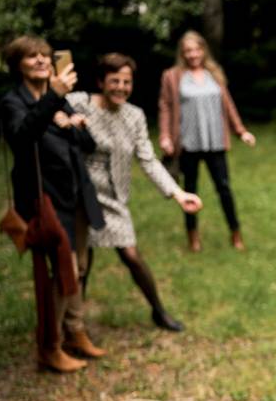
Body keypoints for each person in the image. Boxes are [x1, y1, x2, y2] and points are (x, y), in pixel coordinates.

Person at [66, 53, 203, 332]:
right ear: (100, 82)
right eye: (114, 81)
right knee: (82, 262)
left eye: (127, 82)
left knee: (130, 254)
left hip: (114, 196)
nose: (121, 87)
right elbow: (50, 109)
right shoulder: (78, 102)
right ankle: (73, 325)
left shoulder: (134, 115)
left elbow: (148, 160)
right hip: (79, 194)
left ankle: (158, 311)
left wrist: (177, 193)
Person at [0, 36, 106, 372]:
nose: (42, 61)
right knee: (62, 272)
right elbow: (21, 138)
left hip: (75, 192)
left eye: (46, 55)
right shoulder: (14, 102)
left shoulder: (58, 99)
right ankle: (49, 347)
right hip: (44, 198)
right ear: (18, 64)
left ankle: (75, 331)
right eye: (32, 57)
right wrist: (52, 100)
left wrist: (75, 124)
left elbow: (87, 145)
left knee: (81, 266)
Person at [158, 30, 255, 252]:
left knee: (224, 188)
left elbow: (227, 104)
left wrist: (241, 131)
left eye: (196, 49)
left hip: (215, 142)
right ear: (182, 53)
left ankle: (235, 233)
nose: (192, 54)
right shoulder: (172, 76)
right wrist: (165, 136)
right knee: (190, 190)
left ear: (203, 50)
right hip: (188, 142)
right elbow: (165, 107)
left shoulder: (214, 73)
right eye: (188, 51)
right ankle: (193, 237)